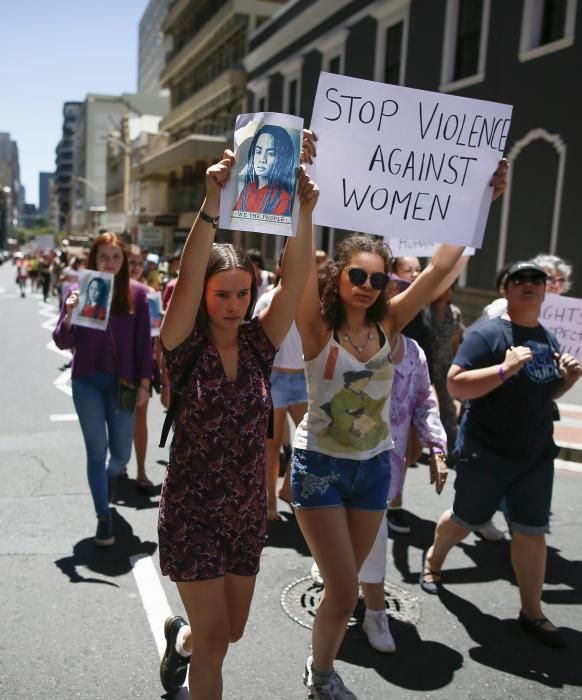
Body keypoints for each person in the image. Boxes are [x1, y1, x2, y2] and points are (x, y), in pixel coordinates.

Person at [292, 147, 507, 699]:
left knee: (355, 586)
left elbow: (439, 268)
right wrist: (303, 206)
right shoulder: (317, 330)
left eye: (377, 277)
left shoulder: (390, 323)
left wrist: (480, 199)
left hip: (371, 473)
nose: (366, 283)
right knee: (342, 592)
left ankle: (321, 670)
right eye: (356, 274)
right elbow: (297, 272)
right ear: (339, 276)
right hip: (318, 470)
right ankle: (321, 677)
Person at [157, 151, 319, 699]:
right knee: (214, 641)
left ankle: (178, 641)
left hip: (245, 510)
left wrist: (303, 210)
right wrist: (211, 202)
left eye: (243, 293)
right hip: (192, 508)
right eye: (222, 293)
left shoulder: (258, 343)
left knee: (230, 632)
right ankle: (192, 645)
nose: (234, 304)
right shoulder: (183, 344)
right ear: (203, 296)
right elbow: (184, 276)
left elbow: (295, 278)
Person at [420, 261, 582, 649]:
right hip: (487, 452)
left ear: (545, 291)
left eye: (536, 281)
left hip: (535, 455)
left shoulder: (547, 337)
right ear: (505, 290)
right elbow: (456, 386)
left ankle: (532, 612)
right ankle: (434, 560)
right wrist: (504, 370)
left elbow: (545, 391)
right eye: (520, 280)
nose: (529, 285)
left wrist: (568, 381)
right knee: (465, 520)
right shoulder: (487, 334)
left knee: (531, 532)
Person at [53, 232, 152, 546]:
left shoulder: (137, 294)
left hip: (123, 384)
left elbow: (143, 346)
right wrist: (69, 314)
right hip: (87, 381)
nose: (109, 263)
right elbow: (63, 341)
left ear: (124, 262)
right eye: (103, 257)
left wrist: (145, 384)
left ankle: (107, 480)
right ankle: (102, 516)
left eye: (116, 258)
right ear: (93, 259)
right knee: (96, 450)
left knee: (121, 454)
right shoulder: (76, 290)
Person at [359, 329, 448, 653]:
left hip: (385, 467)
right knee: (350, 543)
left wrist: (436, 446)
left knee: (374, 539)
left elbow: (424, 399)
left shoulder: (413, 351)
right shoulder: (345, 337)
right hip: (337, 462)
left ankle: (375, 613)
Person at [254, 281, 308, 521]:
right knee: (272, 445)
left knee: (312, 441)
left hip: (304, 379)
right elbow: (254, 340)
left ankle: (287, 488)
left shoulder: (309, 301)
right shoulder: (268, 299)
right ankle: (269, 502)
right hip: (274, 377)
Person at [234, 124, 296, 216]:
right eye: (258, 151)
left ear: (281, 158)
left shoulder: (283, 199)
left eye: (270, 154)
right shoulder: (248, 189)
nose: (262, 159)